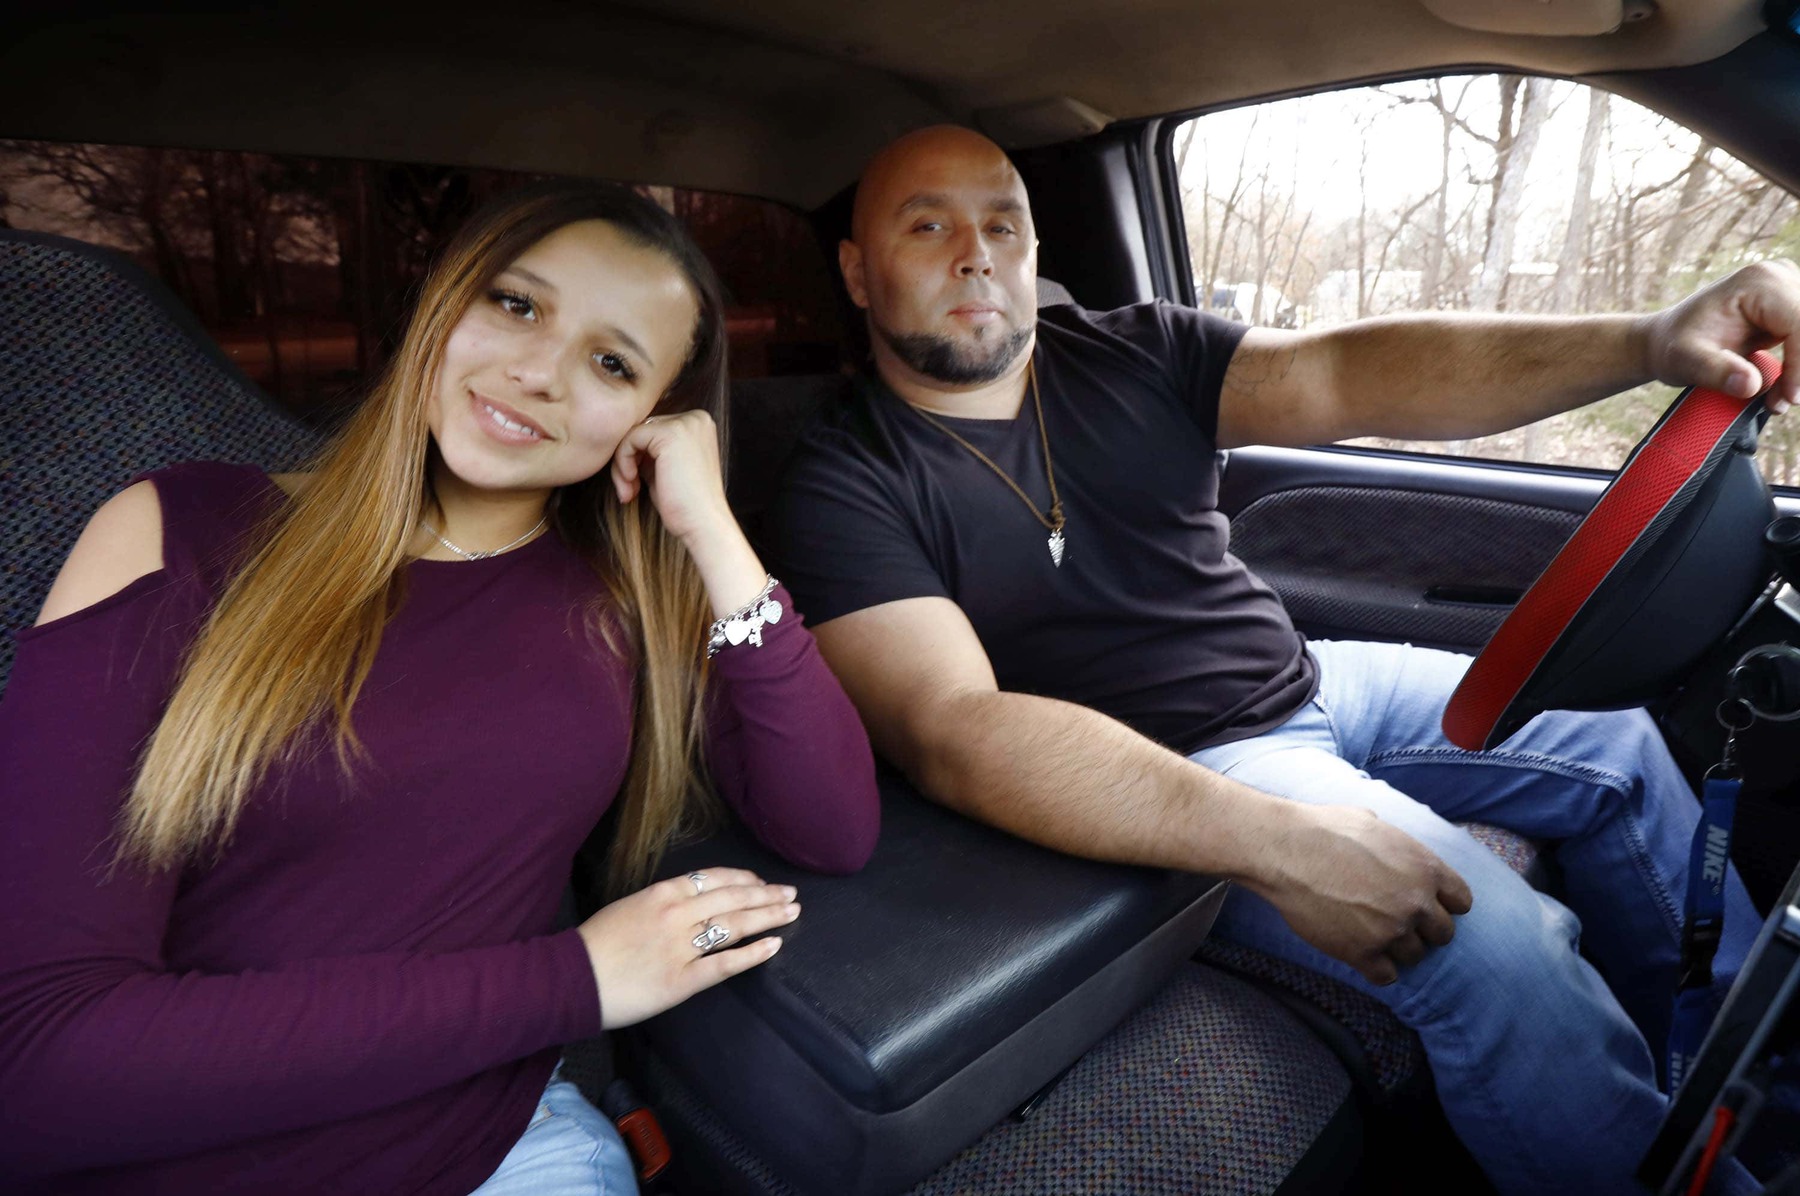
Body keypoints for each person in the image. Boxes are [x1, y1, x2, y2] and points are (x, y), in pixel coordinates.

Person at [767, 125, 1798, 1195]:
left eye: (1002, 223)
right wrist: (1283, 843)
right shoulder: (845, 476)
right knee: (1495, 940)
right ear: (856, 269)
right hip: (1186, 766)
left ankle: (1745, 1095)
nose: (975, 252)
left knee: (1618, 740)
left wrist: (1648, 339)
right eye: (926, 224)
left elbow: (1348, 371)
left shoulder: (1134, 347)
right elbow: (953, 729)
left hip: (1309, 673)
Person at [0, 181, 880, 1195]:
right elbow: (36, 1062)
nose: (539, 371)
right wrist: (579, 978)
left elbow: (833, 822)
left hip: (498, 1150)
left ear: (651, 416)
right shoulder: (183, 530)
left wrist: (713, 533)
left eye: (611, 362)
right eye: (517, 303)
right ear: (444, 300)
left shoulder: (627, 600)